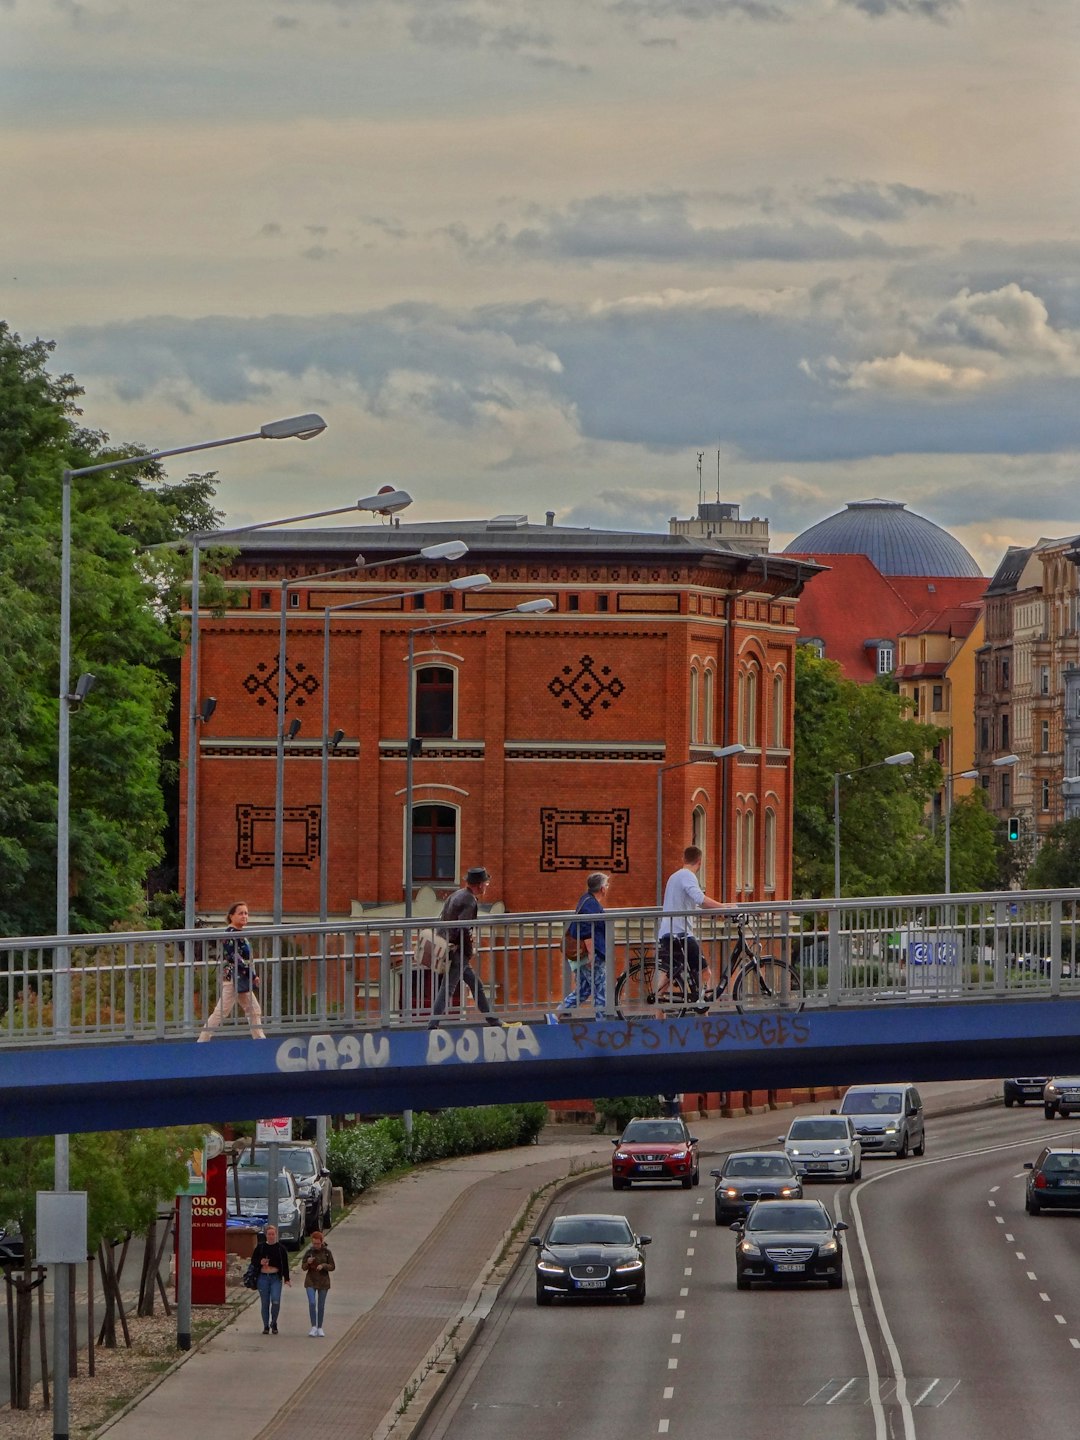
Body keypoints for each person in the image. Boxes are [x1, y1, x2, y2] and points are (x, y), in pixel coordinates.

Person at [655, 845, 725, 1013]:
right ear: (699, 862)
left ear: (683, 858)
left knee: (668, 973)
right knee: (704, 971)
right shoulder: (688, 876)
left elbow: (693, 907)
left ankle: (658, 1016)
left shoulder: (674, 877)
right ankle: (702, 1011)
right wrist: (722, 907)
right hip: (681, 935)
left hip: (666, 933)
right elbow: (700, 899)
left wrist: (717, 913)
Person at [428, 867, 501, 1028]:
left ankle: (493, 1021)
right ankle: (432, 1025)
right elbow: (463, 928)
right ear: (479, 885)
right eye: (485, 883)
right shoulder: (469, 900)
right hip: (457, 951)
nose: (487, 886)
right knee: (447, 988)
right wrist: (468, 951)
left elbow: (445, 920)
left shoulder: (456, 894)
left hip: (448, 947)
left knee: (475, 985)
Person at [197, 901, 266, 1041]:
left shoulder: (239, 934)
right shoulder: (229, 934)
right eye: (240, 913)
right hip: (234, 978)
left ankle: (259, 1039)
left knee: (253, 1010)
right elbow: (234, 957)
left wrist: (251, 975)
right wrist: (251, 974)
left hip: (240, 977)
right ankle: (202, 1039)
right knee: (223, 1011)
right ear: (231, 916)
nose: (244, 916)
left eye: (246, 913)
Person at [550, 872, 610, 1020]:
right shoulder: (591, 904)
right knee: (601, 991)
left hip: (583, 955)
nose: (607, 888)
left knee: (583, 990)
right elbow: (586, 929)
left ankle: (554, 1015)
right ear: (602, 888)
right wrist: (591, 954)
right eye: (606, 885)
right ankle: (602, 1025)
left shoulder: (586, 900)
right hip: (592, 955)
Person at [252, 1223, 290, 1334]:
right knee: (265, 1303)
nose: (271, 1236)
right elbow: (253, 1261)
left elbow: (285, 1265)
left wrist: (286, 1278)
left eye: (273, 1234)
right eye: (269, 1234)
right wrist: (260, 1262)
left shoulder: (280, 1248)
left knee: (275, 1300)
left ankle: (274, 1322)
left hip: (275, 1278)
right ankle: (265, 1326)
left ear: (276, 1235)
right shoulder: (261, 1247)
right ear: (266, 1235)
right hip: (263, 1278)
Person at [300, 1229, 336, 1337]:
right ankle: (313, 1326)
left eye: (318, 1243)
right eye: (314, 1243)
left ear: (322, 1242)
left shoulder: (327, 1252)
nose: (316, 1245)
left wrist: (324, 1266)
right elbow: (303, 1267)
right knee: (312, 1302)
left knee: (321, 1305)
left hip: (323, 1281)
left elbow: (332, 1266)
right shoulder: (309, 1252)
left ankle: (320, 1327)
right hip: (310, 1280)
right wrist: (308, 1262)